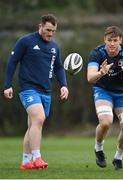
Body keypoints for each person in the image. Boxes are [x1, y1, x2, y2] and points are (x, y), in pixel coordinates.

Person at [3, 14, 69, 170]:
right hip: (28, 89)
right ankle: (37, 157)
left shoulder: (54, 47)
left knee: (34, 125)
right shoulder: (26, 41)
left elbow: (59, 68)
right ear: (40, 26)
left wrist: (64, 85)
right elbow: (12, 62)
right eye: (47, 30)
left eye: (53, 31)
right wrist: (7, 85)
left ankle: (26, 161)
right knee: (38, 118)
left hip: (45, 91)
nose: (50, 34)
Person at [87, 26, 123, 170]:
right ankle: (98, 149)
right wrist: (101, 72)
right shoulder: (97, 53)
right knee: (106, 122)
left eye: (115, 40)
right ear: (104, 39)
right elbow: (90, 77)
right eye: (109, 40)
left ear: (120, 40)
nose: (112, 43)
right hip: (103, 91)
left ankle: (118, 157)